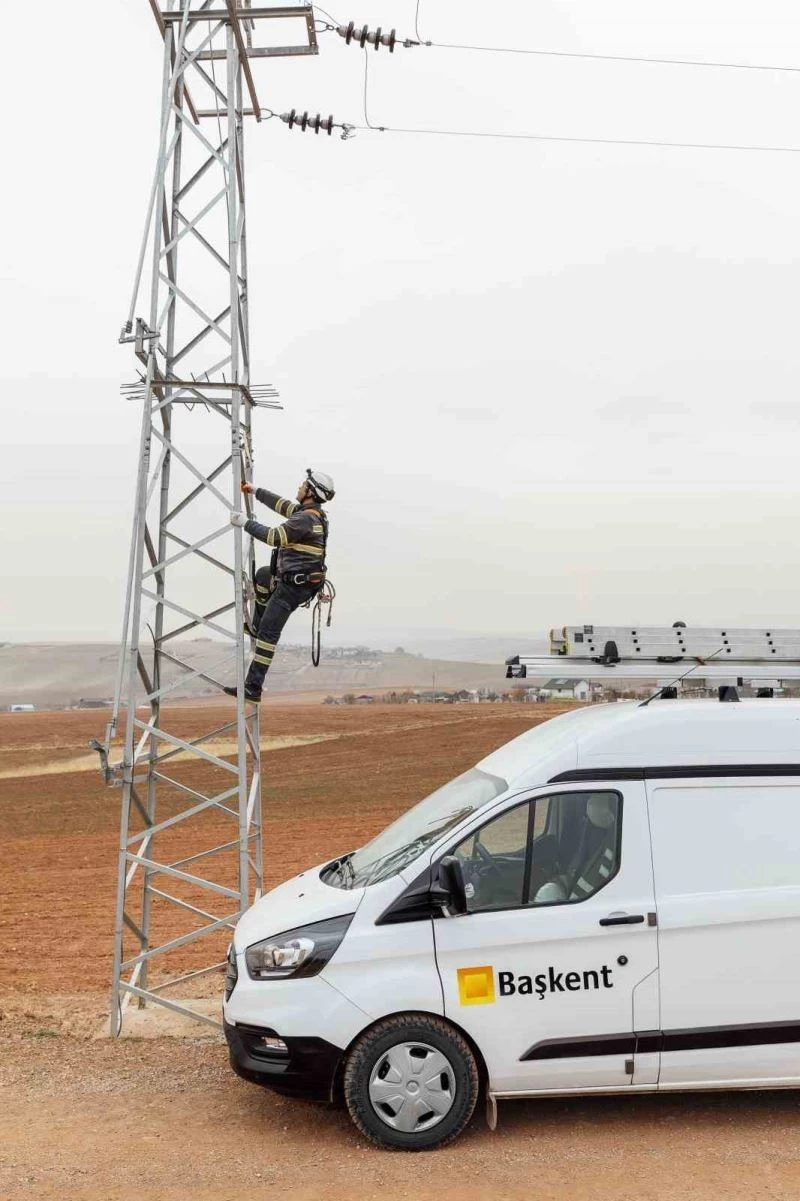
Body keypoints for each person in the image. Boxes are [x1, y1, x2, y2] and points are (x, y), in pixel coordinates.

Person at [225, 468, 335, 703]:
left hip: (293, 588)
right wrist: (255, 491)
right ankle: (256, 624)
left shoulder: (305, 519)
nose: (299, 487)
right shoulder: (311, 513)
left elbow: (275, 537)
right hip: (297, 582)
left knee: (268, 635)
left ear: (310, 492)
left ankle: (253, 688)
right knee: (264, 575)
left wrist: (244, 523)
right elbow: (281, 505)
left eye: (303, 485)